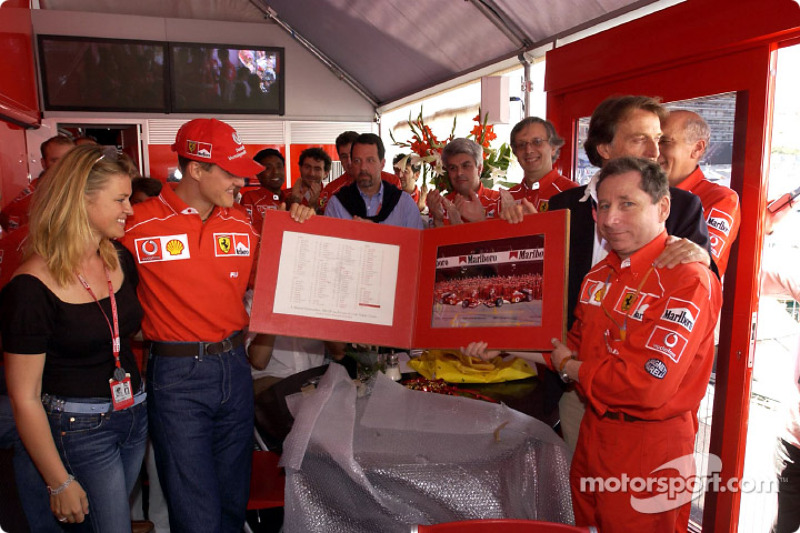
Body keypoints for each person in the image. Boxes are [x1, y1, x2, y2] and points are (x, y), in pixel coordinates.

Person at [467, 157, 721, 532]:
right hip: (593, 431)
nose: (611, 219)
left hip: (650, 447)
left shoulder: (686, 279)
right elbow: (569, 345)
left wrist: (572, 368)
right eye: (603, 206)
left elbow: (645, 386)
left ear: (662, 207)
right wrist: (502, 346)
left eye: (627, 204)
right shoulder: (600, 274)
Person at [120, 118, 314, 533]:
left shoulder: (242, 223)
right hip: (176, 377)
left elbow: (283, 280)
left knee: (232, 501)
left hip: (235, 368)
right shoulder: (134, 224)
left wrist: (302, 230)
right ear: (196, 169)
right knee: (195, 509)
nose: (241, 181)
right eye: (230, 171)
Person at [1, 144, 148, 530]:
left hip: (133, 415)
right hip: (80, 427)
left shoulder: (119, 258)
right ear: (80, 200)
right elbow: (24, 396)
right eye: (120, 199)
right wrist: (58, 481)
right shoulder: (31, 288)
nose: (129, 210)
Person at [659, 109, 741, 275]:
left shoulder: (721, 199)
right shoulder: (638, 191)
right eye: (653, 140)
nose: (653, 151)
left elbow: (695, 263)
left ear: (697, 148)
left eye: (664, 141)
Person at [325, 133, 425, 229]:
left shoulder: (404, 203)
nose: (363, 167)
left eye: (370, 160)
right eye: (357, 161)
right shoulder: (336, 204)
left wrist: (375, 232)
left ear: (382, 164)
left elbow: (415, 244)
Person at [502, 116, 577, 213]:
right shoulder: (507, 198)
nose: (528, 150)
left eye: (537, 142)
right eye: (522, 145)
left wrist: (536, 223)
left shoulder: (572, 193)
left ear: (553, 147)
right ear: (515, 152)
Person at [0, 135, 75, 232]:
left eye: (67, 160)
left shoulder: (89, 187)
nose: (62, 165)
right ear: (43, 163)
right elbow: (6, 218)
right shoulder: (33, 193)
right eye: (55, 160)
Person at [318, 130, 402, 212]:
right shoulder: (331, 190)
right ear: (339, 159)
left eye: (352, 155)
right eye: (344, 156)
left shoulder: (392, 181)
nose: (349, 161)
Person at [426, 138, 500, 226]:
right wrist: (438, 221)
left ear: (479, 168)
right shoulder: (439, 205)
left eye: (466, 166)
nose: (459, 173)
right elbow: (436, 239)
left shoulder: (498, 201)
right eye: (453, 168)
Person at [240, 148, 287, 230]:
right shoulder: (250, 198)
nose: (275, 172)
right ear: (258, 173)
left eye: (279, 167)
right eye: (268, 168)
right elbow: (250, 230)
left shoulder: (290, 197)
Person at [285, 147, 331, 211]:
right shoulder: (285, 195)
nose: (311, 173)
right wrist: (294, 202)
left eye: (317, 169)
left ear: (326, 173)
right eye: (307, 167)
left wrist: (314, 206)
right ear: (300, 168)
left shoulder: (331, 198)